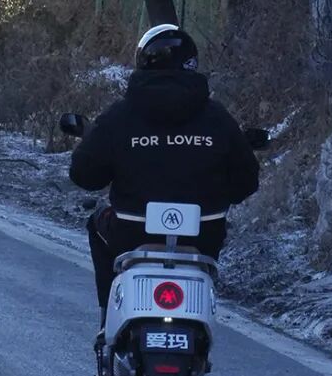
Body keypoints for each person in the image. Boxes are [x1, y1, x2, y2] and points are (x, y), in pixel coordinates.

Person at [69, 23, 259, 335]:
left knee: (97, 224)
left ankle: (108, 319)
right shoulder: (218, 119)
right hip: (202, 236)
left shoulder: (121, 116)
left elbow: (84, 174)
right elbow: (246, 181)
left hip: (130, 232)